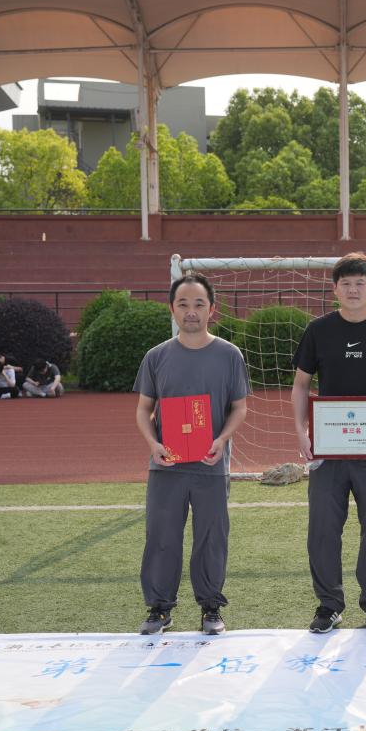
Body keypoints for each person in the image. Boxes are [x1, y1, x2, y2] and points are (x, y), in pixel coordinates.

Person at [291, 253, 366, 634]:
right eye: (345, 283)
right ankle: (329, 605)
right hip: (329, 450)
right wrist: (301, 431)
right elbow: (301, 384)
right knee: (323, 528)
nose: (353, 289)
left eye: (360, 283)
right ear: (335, 289)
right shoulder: (319, 330)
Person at [133, 272, 249, 635]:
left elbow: (240, 407)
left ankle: (211, 606)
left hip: (211, 465)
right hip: (166, 466)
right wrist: (153, 444)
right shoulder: (156, 356)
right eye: (183, 304)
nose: (191, 311)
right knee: (161, 535)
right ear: (172, 309)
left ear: (211, 309)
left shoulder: (229, 355)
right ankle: (159, 608)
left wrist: (222, 439)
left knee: (211, 536)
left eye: (199, 304)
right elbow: (143, 409)